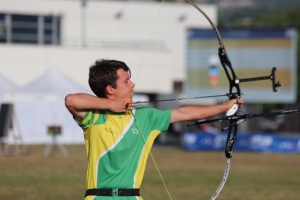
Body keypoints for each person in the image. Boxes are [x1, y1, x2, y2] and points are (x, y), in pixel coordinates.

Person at [65, 59, 243, 200]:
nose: (132, 84)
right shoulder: (95, 116)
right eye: (126, 81)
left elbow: (184, 112)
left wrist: (224, 106)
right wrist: (110, 105)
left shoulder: (145, 116)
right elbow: (71, 100)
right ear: (110, 89)